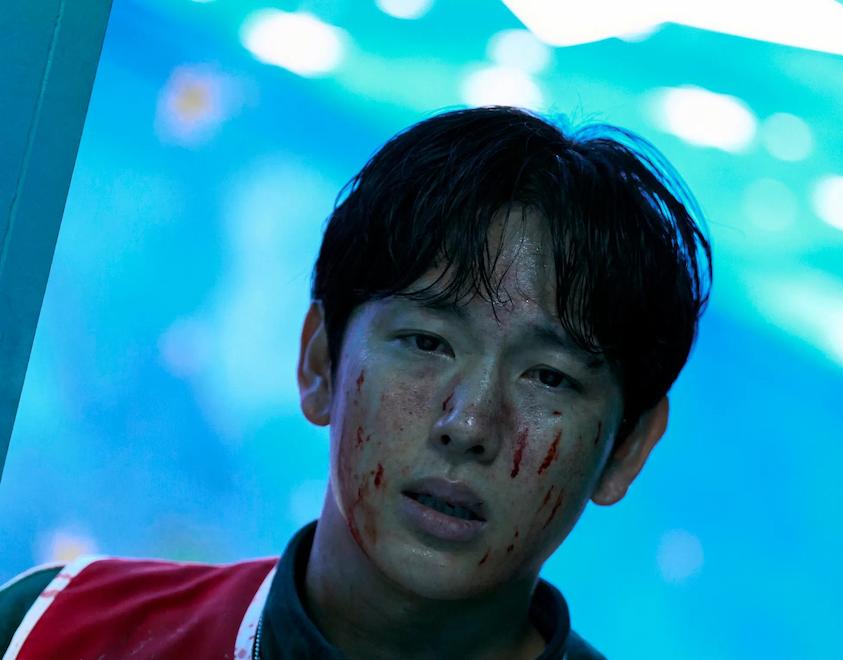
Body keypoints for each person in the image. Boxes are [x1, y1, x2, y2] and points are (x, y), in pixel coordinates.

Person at [0, 105, 711, 659]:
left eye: (549, 377)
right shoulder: (45, 629)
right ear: (319, 361)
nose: (468, 424)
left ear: (626, 449)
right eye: (427, 342)